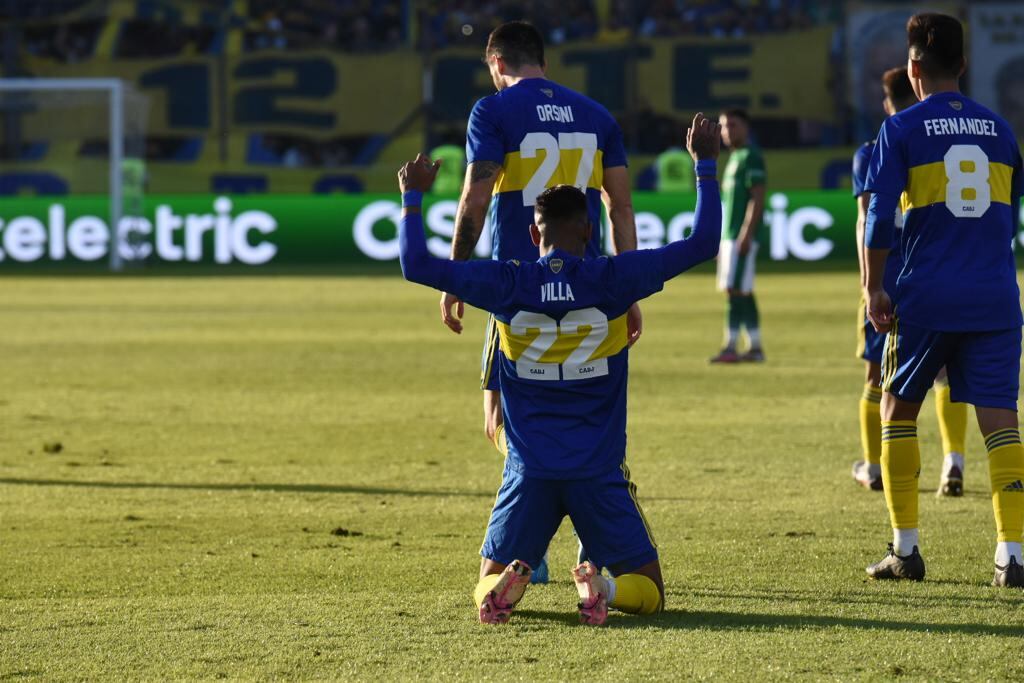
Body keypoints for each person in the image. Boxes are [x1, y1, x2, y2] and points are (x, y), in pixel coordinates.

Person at [398, 113, 722, 624]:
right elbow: (703, 243)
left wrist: (413, 197)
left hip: (529, 471)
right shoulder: (614, 278)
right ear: (589, 229)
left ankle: (504, 585)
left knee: (483, 578)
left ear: (532, 233)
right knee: (651, 593)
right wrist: (704, 164)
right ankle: (604, 587)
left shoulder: (507, 282)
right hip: (596, 468)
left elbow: (415, 264)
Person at [437, 20, 642, 582]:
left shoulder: (493, 111)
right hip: (592, 297)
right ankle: (593, 538)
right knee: (593, 418)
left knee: (501, 419)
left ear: (496, 63)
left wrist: (457, 276)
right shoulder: (597, 116)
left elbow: (475, 194)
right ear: (543, 62)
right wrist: (626, 288)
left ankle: (530, 543)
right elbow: (620, 208)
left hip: (518, 296)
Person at [863, 13, 1024, 588]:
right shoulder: (1002, 131)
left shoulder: (900, 129)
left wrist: (873, 285)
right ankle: (1013, 555)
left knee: (896, 409)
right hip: (996, 296)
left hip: (927, 294)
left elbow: (880, 214)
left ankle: (905, 552)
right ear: (964, 64)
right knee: (1001, 421)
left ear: (912, 70)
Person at [851, 67, 969, 495]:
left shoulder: (873, 149)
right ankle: (953, 460)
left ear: (886, 102)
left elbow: (869, 216)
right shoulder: (942, 141)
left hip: (889, 271)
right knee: (942, 374)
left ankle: (874, 466)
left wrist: (869, 284)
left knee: (876, 378)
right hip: (933, 271)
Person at [711, 109, 766, 363]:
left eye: (732, 125)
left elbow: (758, 197)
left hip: (739, 236)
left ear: (746, 127)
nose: (726, 131)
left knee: (735, 290)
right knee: (740, 289)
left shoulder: (751, 156)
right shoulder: (734, 158)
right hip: (728, 236)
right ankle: (753, 347)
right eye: (723, 126)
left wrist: (746, 232)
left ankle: (731, 346)